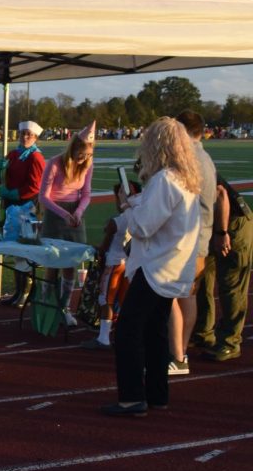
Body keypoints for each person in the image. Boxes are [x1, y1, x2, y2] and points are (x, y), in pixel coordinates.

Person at [102, 118, 201, 417]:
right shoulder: (186, 179)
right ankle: (158, 393)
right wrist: (136, 204)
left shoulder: (164, 180)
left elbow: (144, 227)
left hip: (156, 267)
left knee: (129, 331)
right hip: (173, 266)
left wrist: (126, 208)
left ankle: (132, 398)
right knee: (155, 331)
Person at [167, 111, 216, 376]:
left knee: (173, 294)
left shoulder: (190, 160)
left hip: (188, 239)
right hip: (202, 237)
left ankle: (177, 353)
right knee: (188, 295)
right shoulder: (206, 158)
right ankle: (180, 350)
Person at [39, 121, 96, 326]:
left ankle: (65, 307)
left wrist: (79, 212)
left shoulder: (88, 165)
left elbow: (87, 194)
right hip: (56, 215)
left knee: (71, 264)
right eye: (82, 153)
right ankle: (47, 304)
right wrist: (64, 214)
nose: (84, 158)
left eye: (88, 155)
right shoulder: (54, 163)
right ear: (74, 147)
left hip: (74, 216)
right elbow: (43, 197)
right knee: (52, 263)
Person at [193, 172, 252, 361]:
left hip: (231, 223)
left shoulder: (192, 163)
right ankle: (203, 333)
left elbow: (221, 194)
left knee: (231, 284)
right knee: (202, 278)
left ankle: (230, 341)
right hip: (211, 226)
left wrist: (222, 232)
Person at [82, 182, 140, 350]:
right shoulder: (139, 218)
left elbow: (104, 248)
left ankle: (104, 337)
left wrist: (96, 250)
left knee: (105, 299)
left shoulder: (115, 222)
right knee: (124, 301)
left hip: (114, 263)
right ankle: (125, 335)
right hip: (130, 263)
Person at [0, 121, 46, 305]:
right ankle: (19, 292)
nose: (25, 137)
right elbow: (1, 179)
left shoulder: (36, 158)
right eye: (23, 133)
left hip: (27, 209)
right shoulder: (14, 153)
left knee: (25, 252)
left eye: (29, 134)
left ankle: (26, 293)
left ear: (35, 137)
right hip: (11, 207)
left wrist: (13, 193)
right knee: (15, 251)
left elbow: (35, 187)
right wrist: (0, 172)